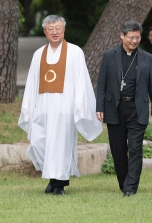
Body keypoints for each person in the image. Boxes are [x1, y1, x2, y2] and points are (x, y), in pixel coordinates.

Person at [18, 15, 103, 196]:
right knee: (40, 143)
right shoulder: (38, 54)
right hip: (43, 108)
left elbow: (81, 81)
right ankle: (52, 179)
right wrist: (28, 108)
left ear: (64, 30)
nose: (55, 32)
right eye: (51, 29)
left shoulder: (75, 52)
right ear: (45, 32)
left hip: (65, 108)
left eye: (58, 28)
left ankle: (58, 185)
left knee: (61, 147)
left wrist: (79, 105)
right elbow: (32, 83)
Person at [96, 20, 152, 197]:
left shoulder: (147, 57)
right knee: (117, 150)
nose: (134, 41)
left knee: (135, 148)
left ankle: (131, 186)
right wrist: (99, 106)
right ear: (122, 36)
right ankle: (124, 182)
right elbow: (101, 83)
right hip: (114, 108)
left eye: (137, 37)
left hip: (137, 107)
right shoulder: (110, 55)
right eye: (130, 37)